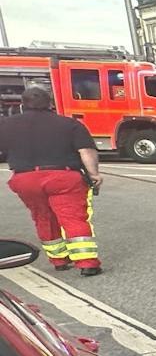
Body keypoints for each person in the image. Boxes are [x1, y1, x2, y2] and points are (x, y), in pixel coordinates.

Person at [0, 84, 105, 275]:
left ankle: (59, 260)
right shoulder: (69, 124)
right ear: (50, 104)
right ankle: (87, 264)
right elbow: (86, 151)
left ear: (22, 105)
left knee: (43, 217)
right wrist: (93, 174)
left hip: (25, 178)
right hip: (63, 177)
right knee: (73, 218)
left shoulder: (6, 125)